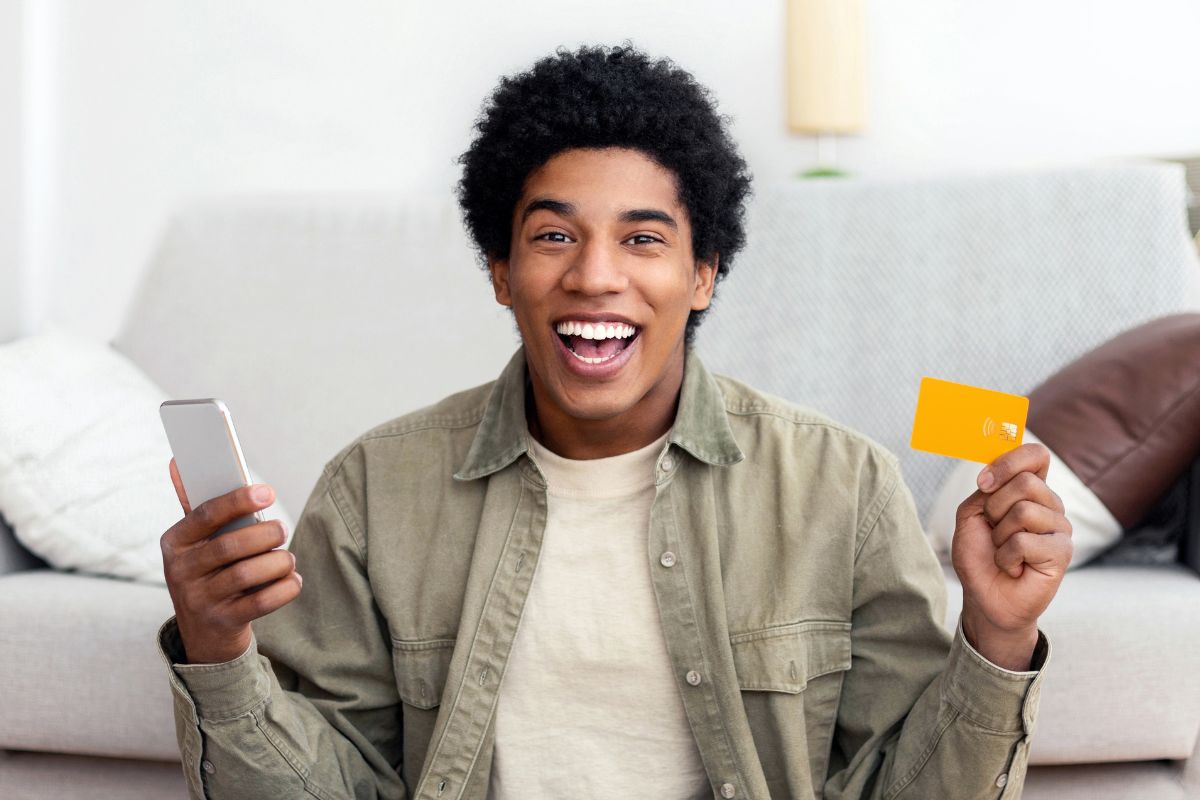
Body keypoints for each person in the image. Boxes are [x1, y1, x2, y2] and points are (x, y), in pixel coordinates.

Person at [157, 43, 1069, 800]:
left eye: (643, 238)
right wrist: (219, 650)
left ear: (704, 273)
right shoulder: (372, 489)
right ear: (502, 272)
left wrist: (995, 637)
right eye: (554, 235)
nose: (595, 276)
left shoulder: (845, 487)